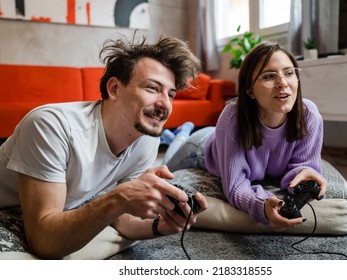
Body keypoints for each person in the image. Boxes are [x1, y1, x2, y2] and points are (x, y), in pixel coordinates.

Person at [0, 34, 208, 259]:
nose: (165, 104)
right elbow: (43, 242)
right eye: (152, 88)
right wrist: (118, 197)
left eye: (170, 94)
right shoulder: (51, 126)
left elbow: (122, 219)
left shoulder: (147, 140)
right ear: (115, 89)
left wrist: (159, 226)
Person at [165, 41, 327, 232]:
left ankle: (181, 132)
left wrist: (304, 177)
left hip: (217, 135)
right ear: (249, 89)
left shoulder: (309, 115)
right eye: (268, 76)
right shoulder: (232, 116)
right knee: (167, 167)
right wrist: (262, 205)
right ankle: (181, 134)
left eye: (289, 73)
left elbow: (303, 165)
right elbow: (235, 186)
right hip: (199, 147)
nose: (283, 83)